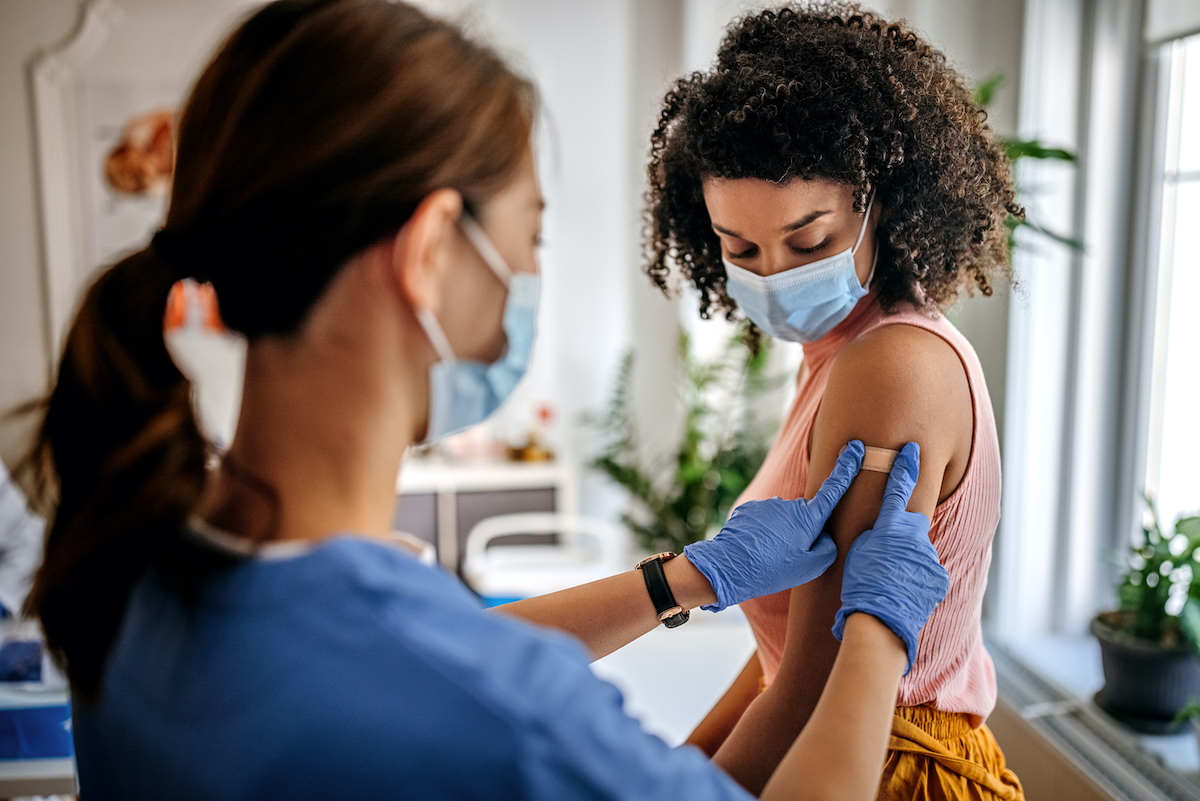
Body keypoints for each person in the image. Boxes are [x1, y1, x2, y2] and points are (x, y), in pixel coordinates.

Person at [18, 1, 948, 798]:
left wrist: (687, 575)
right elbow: (454, 673)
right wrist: (875, 628)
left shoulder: (130, 567)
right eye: (530, 235)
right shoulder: (500, 715)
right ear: (429, 254)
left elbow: (422, 649)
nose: (534, 276)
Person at [645, 4, 1025, 799]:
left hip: (886, 766)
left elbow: (813, 690)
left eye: (809, 242)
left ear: (879, 201)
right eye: (740, 248)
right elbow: (778, 662)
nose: (776, 275)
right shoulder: (831, 358)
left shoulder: (889, 366)